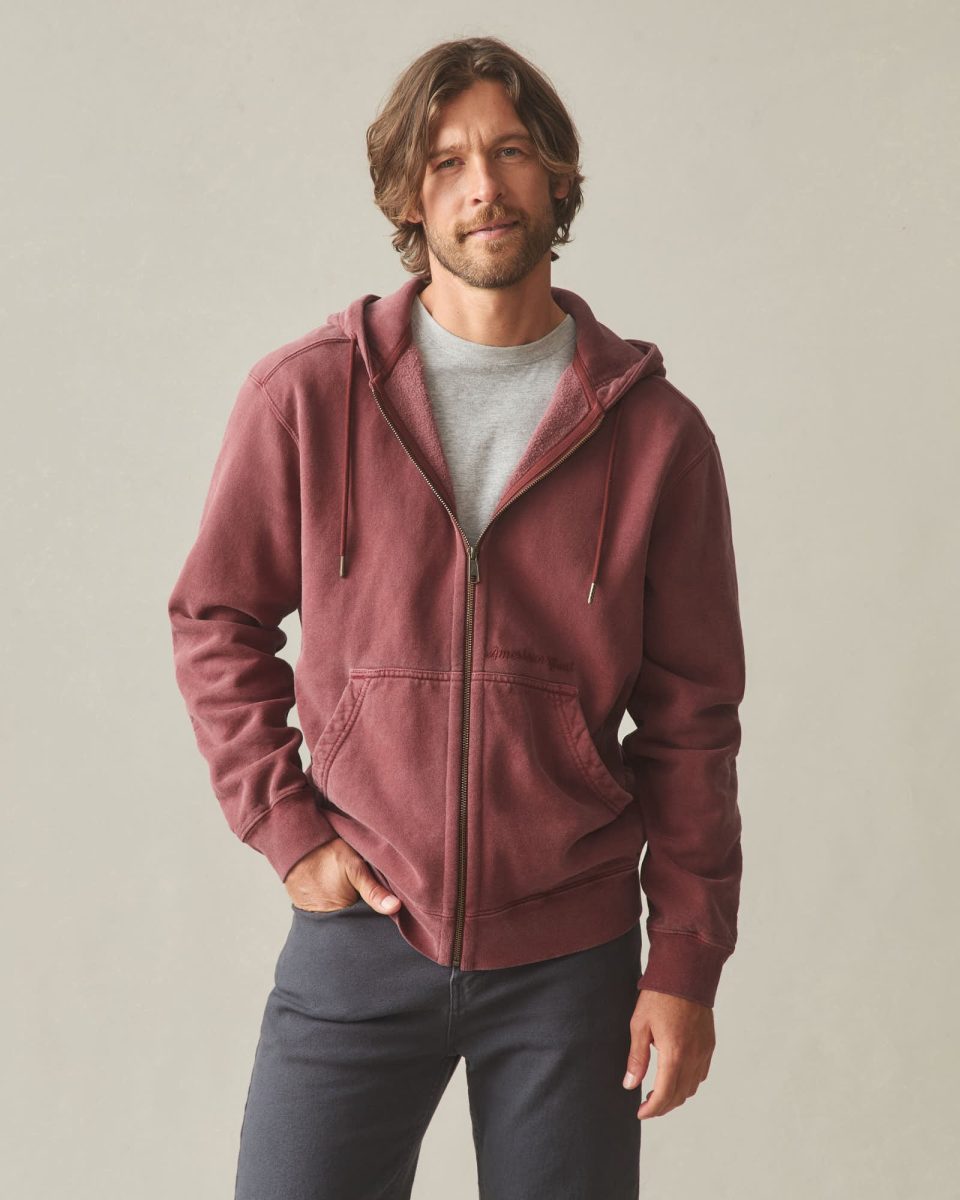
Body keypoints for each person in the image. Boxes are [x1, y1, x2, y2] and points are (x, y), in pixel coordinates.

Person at [167, 34, 746, 1200]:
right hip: (360, 935)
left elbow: (693, 722)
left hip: (571, 957)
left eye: (512, 151)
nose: (484, 184)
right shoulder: (308, 396)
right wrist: (288, 829)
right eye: (447, 162)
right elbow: (215, 618)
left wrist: (685, 959)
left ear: (558, 177)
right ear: (408, 197)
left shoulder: (657, 437)